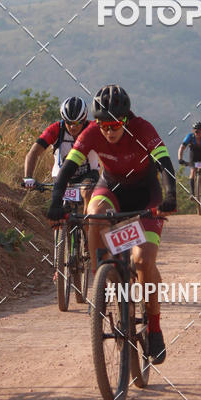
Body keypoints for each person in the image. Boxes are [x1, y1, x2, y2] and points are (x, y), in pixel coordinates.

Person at [46, 85, 176, 364]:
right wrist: (56, 203)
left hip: (146, 194)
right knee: (94, 215)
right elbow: (67, 169)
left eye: (115, 125)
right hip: (112, 189)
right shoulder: (91, 132)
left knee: (142, 262)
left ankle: (154, 329)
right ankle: (101, 280)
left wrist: (170, 197)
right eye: (104, 125)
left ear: (126, 119)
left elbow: (164, 163)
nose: (109, 131)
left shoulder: (142, 128)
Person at [23, 95, 100, 210]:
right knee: (59, 207)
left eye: (77, 122)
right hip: (62, 175)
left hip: (88, 174)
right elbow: (33, 153)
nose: (73, 127)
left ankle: (88, 219)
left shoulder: (93, 129)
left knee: (87, 191)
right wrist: (28, 177)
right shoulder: (56, 129)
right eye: (69, 122)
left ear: (84, 120)